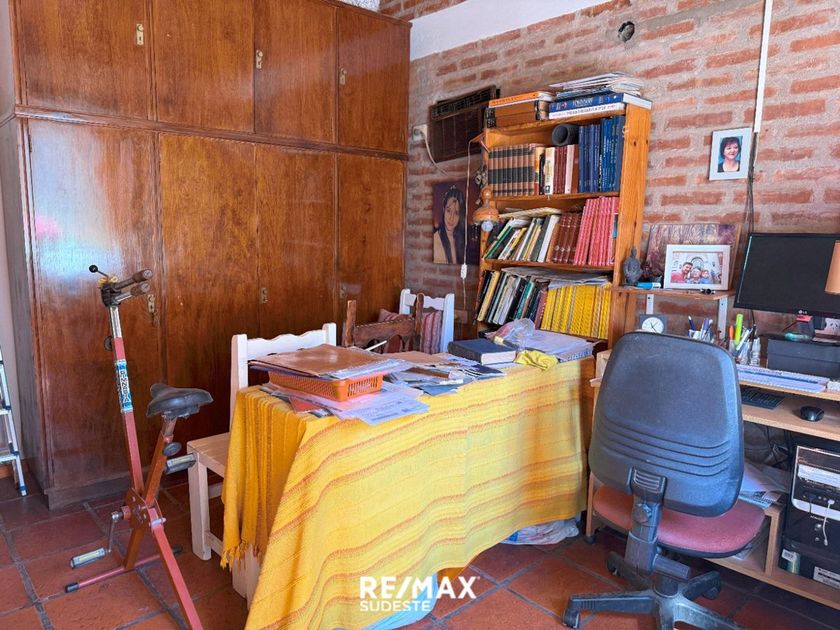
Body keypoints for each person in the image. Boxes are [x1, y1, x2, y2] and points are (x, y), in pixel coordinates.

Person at [433, 186, 465, 265]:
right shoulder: (436, 241)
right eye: (449, 211)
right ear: (443, 209)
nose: (451, 218)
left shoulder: (461, 239)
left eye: (456, 213)